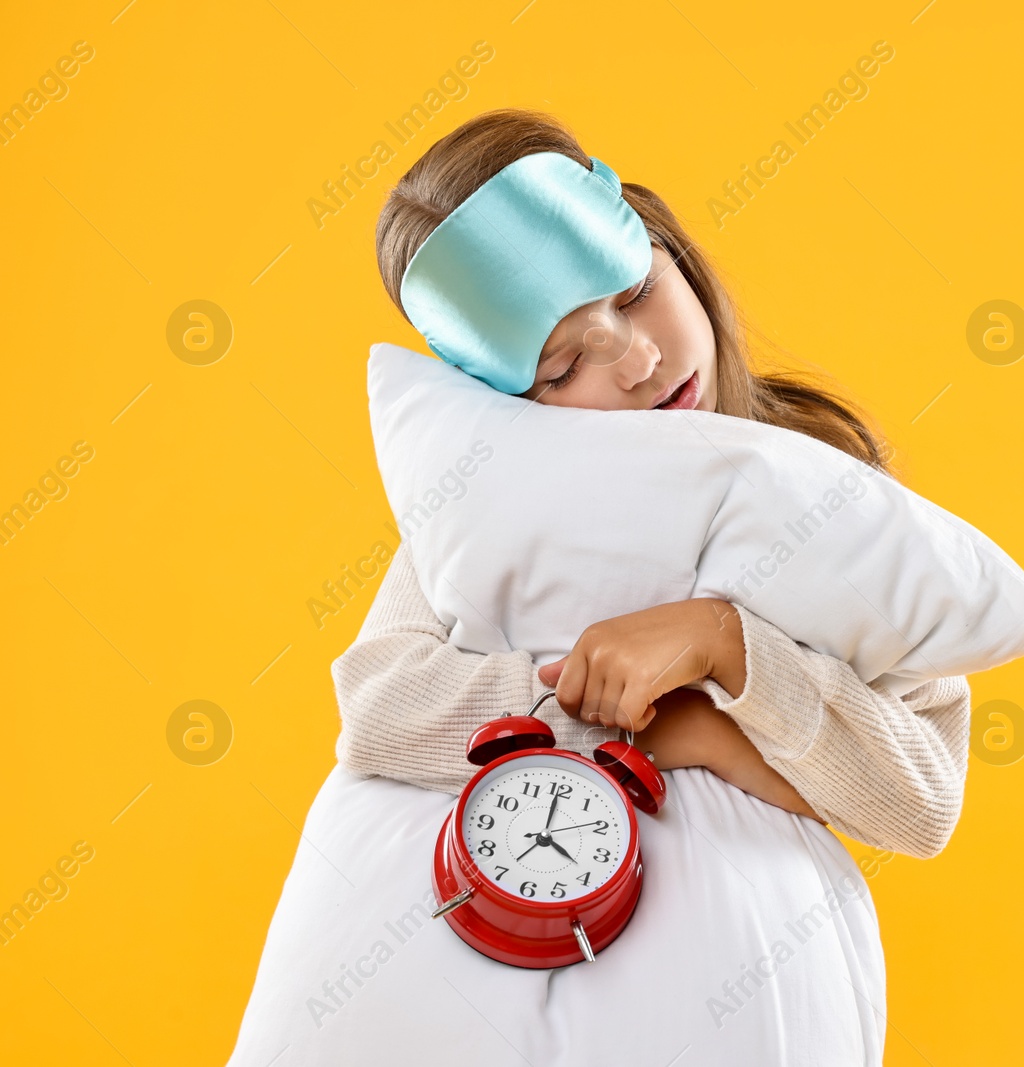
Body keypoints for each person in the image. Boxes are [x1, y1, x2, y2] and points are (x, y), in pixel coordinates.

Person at [344, 108, 973, 861]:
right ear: (511, 407)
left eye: (637, 290)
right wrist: (677, 726)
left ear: (669, 247)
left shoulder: (818, 474)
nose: (638, 359)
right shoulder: (497, 507)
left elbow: (922, 801)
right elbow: (384, 707)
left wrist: (723, 642)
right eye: (565, 367)